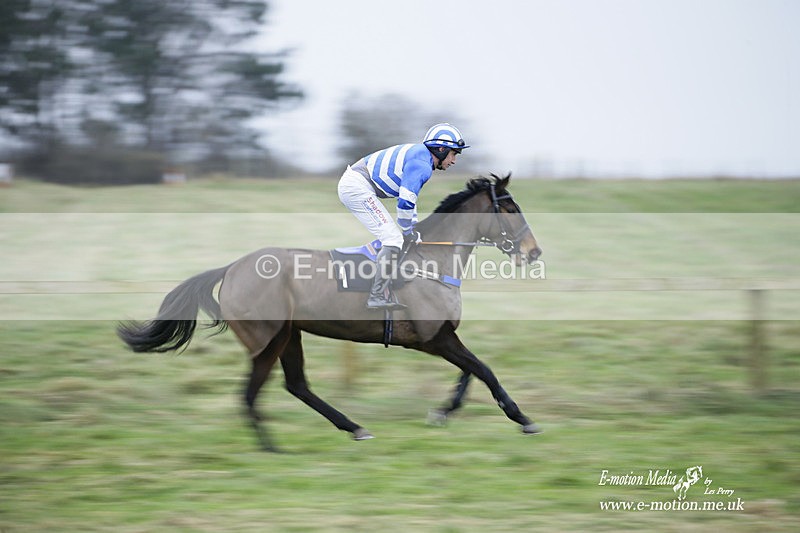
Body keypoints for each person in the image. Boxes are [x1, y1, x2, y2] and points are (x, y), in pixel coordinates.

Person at [338, 123, 469, 310]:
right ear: (441, 150)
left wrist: (411, 229)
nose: (454, 160)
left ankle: (381, 280)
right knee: (393, 239)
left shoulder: (422, 158)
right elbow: (405, 203)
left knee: (395, 237)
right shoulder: (422, 165)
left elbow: (408, 200)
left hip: (357, 184)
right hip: (356, 187)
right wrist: (408, 231)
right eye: (454, 153)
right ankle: (375, 296)